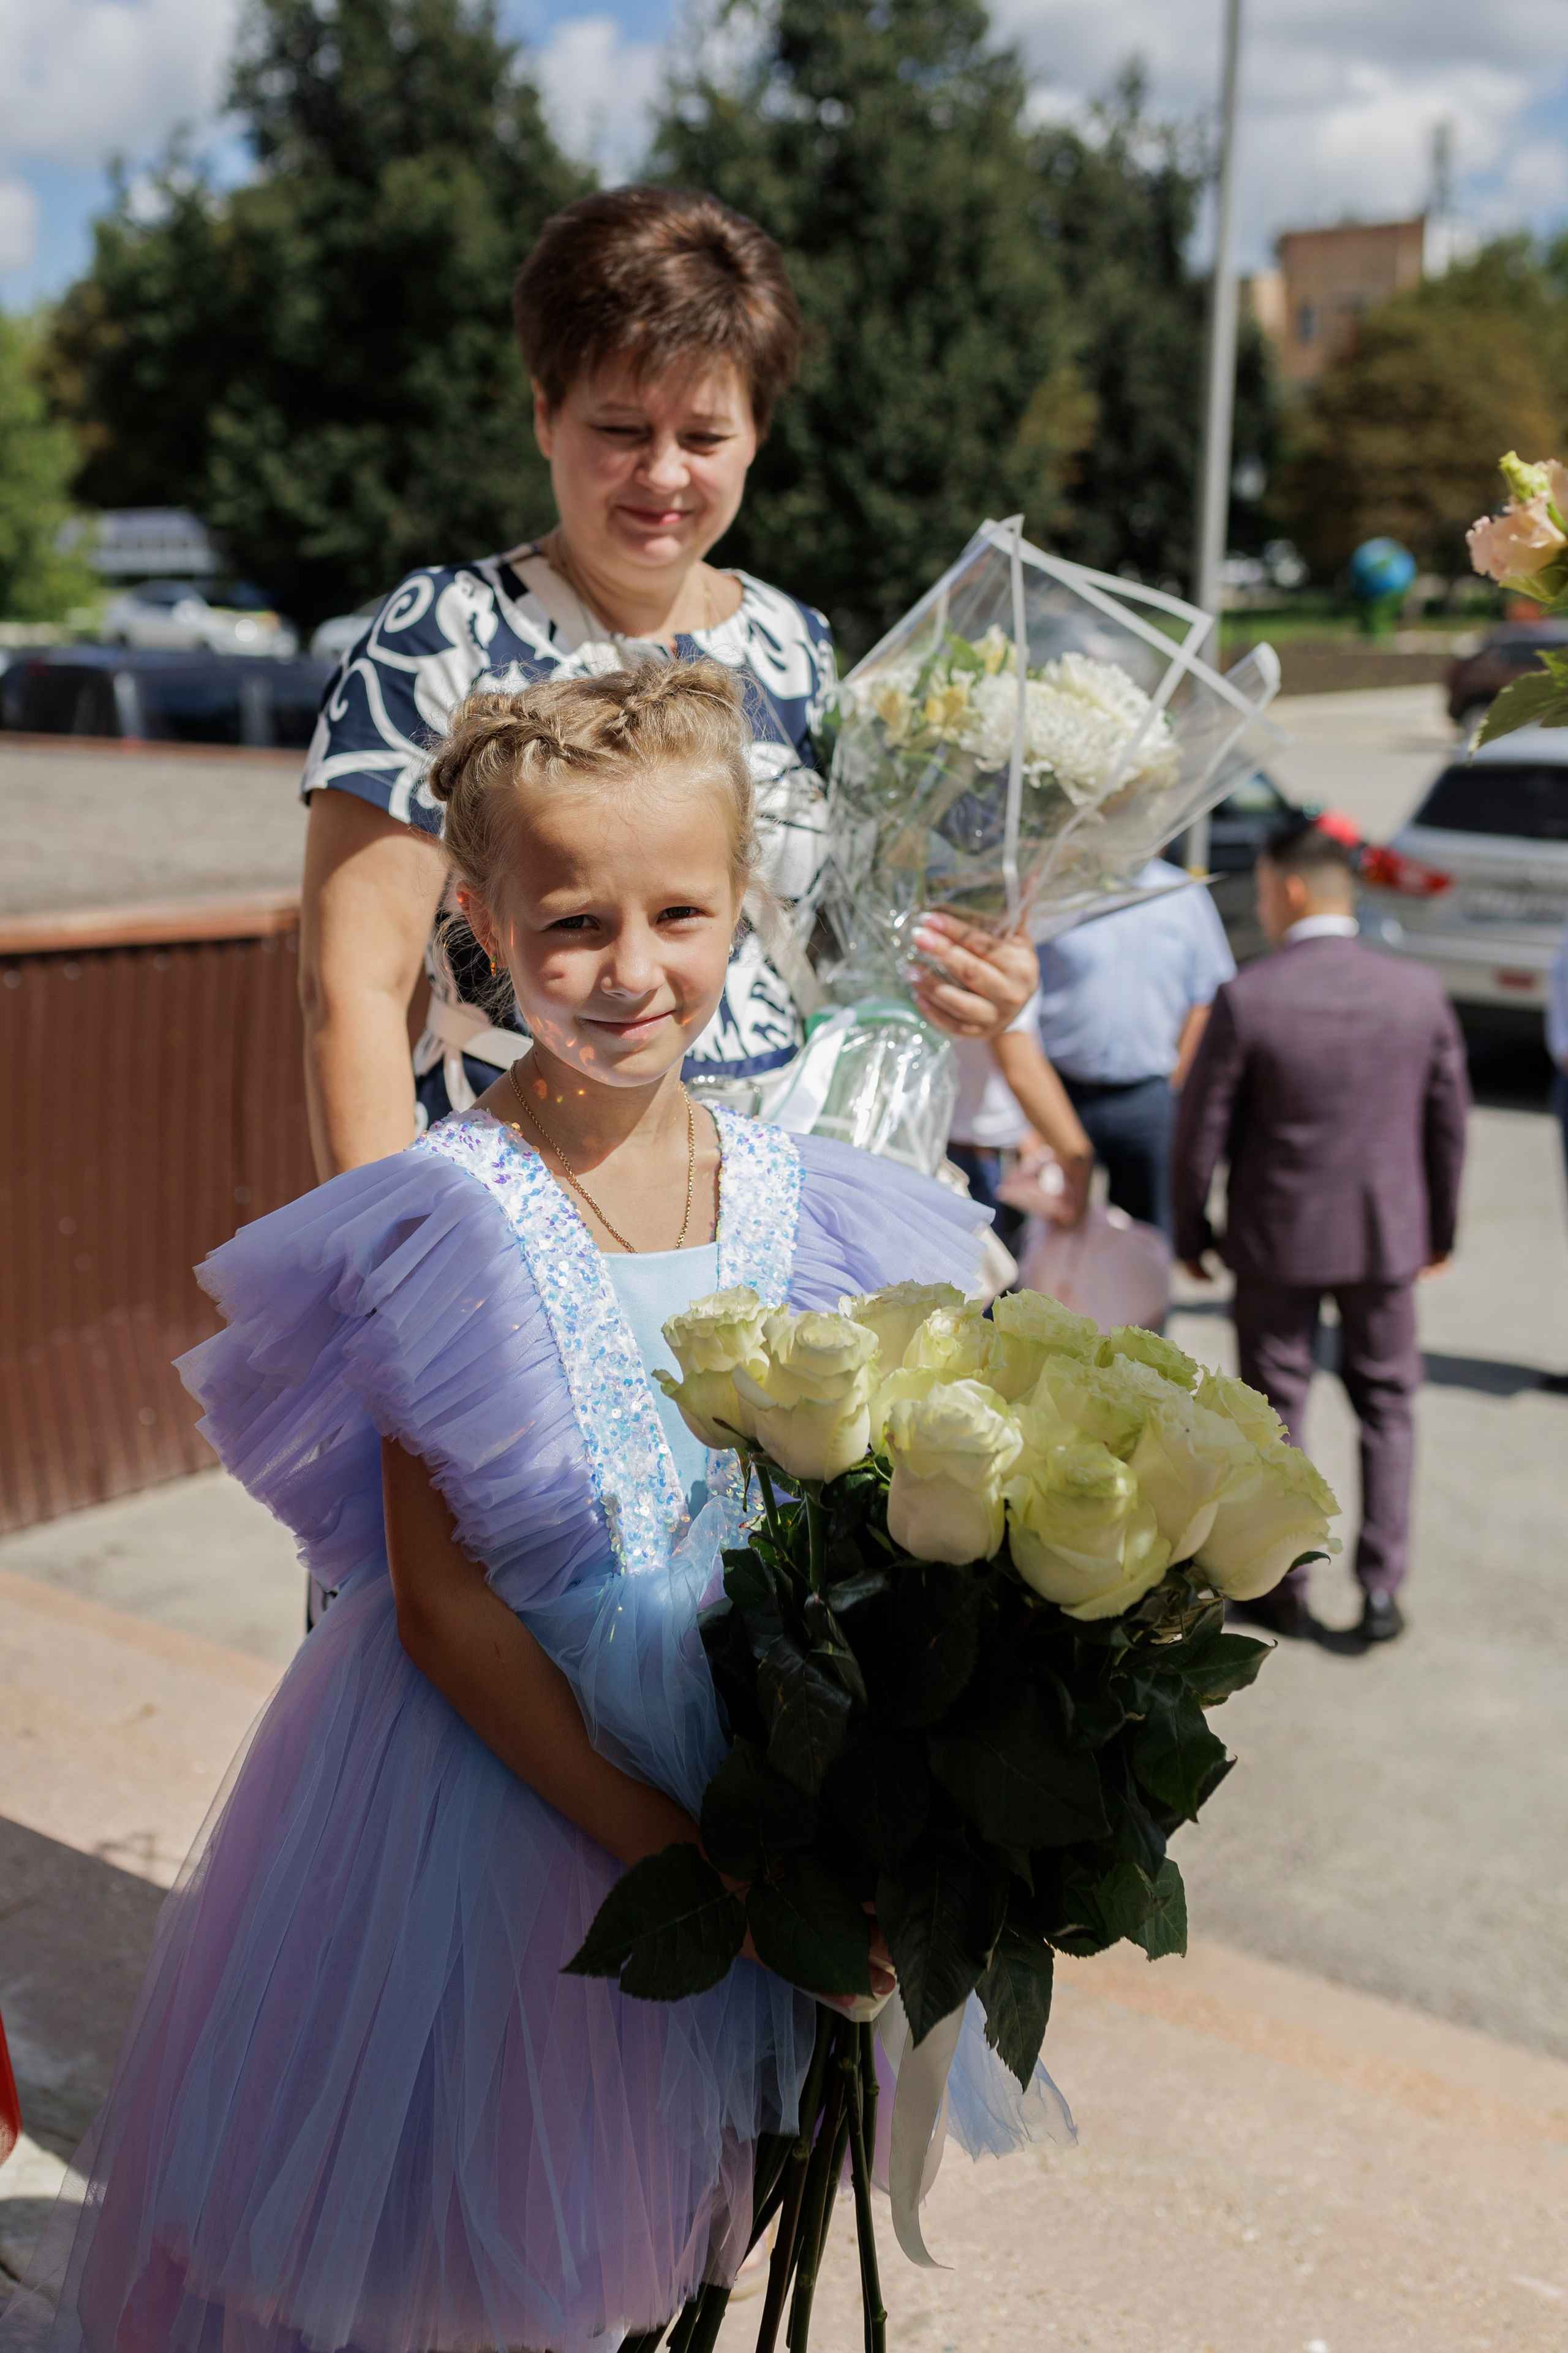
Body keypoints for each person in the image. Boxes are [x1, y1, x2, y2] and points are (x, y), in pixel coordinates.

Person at [17, 663, 1049, 2353]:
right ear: (483, 925)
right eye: (572, 923)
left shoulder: (818, 1202)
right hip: (503, 1815)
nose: (631, 971)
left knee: (666, 2237)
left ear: (744, 910)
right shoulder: (448, 1221)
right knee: (461, 2262)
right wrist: (675, 1853)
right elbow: (446, 1611)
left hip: (746, 1773)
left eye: (679, 913)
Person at [298, 184, 1036, 1180]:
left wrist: (971, 976)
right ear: (546, 414)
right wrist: (386, 1272)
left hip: (775, 1206)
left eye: (703, 437)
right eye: (618, 429)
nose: (662, 473)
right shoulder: (443, 631)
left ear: (758, 435)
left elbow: (841, 948)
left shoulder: (798, 641)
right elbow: (352, 992)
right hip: (512, 1208)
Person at [1172, 818, 1469, 1644]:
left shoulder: (1252, 995)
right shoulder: (1418, 991)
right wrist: (1438, 1231)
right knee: (1388, 1403)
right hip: (1386, 1237)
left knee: (1278, 1409)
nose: (1263, 909)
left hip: (1276, 1238)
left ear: (1290, 889)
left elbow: (1202, 1130)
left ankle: (1285, 1582)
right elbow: (1448, 1126)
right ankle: (1381, 1585)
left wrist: (1191, 1230)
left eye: (1263, 893)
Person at [1031, 856, 1236, 1239]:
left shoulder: (1183, 895)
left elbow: (1206, 995)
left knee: (1148, 1240)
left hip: (1146, 1098)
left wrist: (1176, 1081)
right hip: (1059, 1092)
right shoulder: (1058, 889)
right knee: (1049, 1235)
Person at [946, 1002, 1093, 1252]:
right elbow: (1020, 1069)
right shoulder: (1004, 964)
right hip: (977, 1159)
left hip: (972, 1147)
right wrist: (1078, 1158)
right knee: (988, 1281)